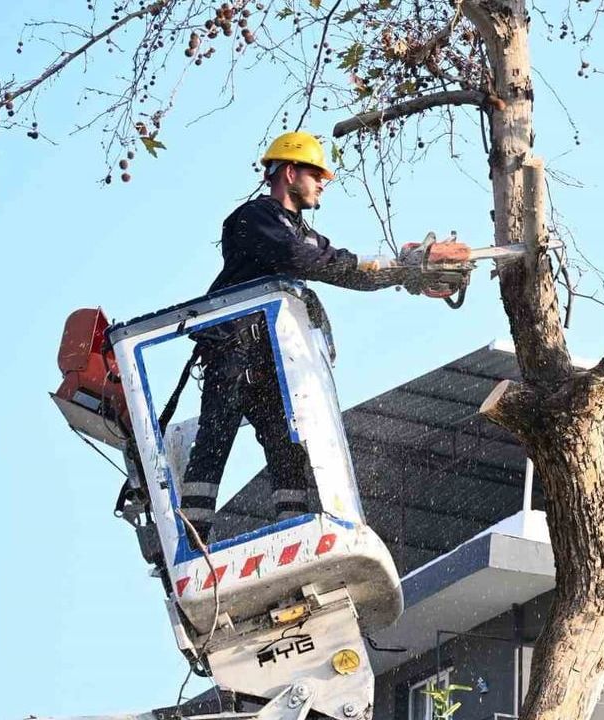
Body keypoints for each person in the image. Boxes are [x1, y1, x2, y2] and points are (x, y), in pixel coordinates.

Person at [178, 131, 464, 542]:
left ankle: (292, 532)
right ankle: (192, 541)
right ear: (289, 172)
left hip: (270, 358)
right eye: (316, 175)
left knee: (287, 445)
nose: (323, 184)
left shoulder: (300, 230)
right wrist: (385, 268)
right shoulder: (254, 218)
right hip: (232, 352)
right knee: (214, 440)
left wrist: (405, 272)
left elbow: (343, 266)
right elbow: (300, 259)